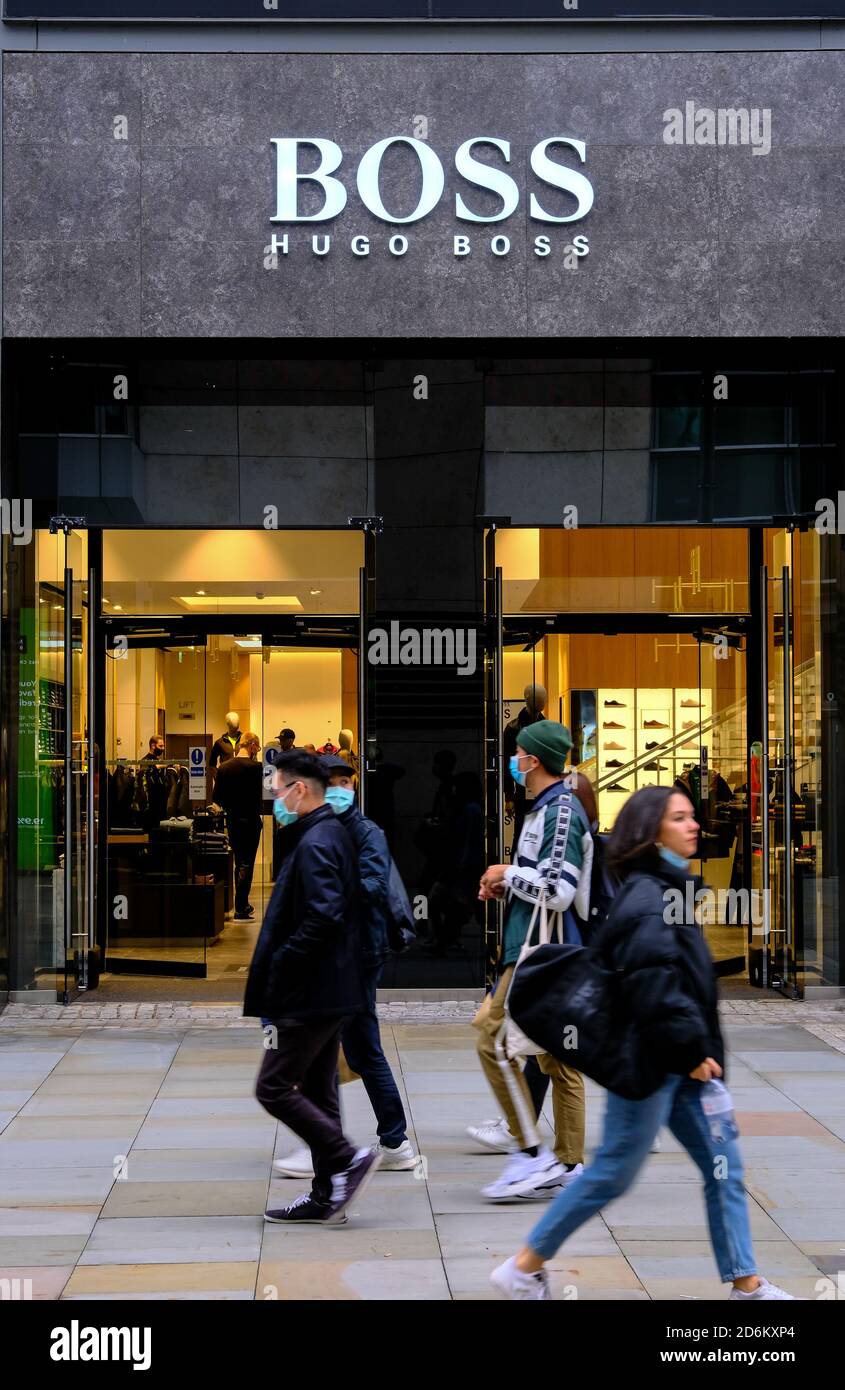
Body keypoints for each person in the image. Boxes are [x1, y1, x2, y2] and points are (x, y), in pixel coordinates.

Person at [490, 785, 796, 1301]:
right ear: (652, 834)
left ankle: (747, 1285)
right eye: (680, 818)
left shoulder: (664, 890)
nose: (694, 825)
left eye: (692, 816)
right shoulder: (649, 899)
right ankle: (524, 1265)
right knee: (612, 1173)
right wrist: (692, 1052)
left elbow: (676, 979)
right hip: (654, 1065)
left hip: (677, 1062)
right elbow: (652, 985)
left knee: (724, 1166)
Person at [245, 749, 381, 1225]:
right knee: (320, 1091)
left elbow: (325, 914)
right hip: (328, 989)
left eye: (278, 789)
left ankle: (346, 1157)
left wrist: (283, 962)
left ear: (299, 789)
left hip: (309, 992)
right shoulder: (323, 833)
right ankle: (326, 1196)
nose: (275, 799)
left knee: (273, 1086)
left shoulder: (318, 840)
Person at [274, 754, 418, 1178]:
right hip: (333, 954)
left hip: (356, 954)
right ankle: (390, 1141)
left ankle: (338, 1145)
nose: (339, 787)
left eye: (345, 781)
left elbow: (374, 884)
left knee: (338, 1049)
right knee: (352, 1049)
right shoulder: (317, 828)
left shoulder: (364, 830)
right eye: (331, 780)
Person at [473, 721, 590, 1202]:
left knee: (490, 1037)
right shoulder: (547, 807)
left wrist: (507, 872)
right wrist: (506, 882)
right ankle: (567, 1164)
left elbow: (557, 891)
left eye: (518, 754)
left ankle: (530, 1153)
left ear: (535, 760)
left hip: (541, 953)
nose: (513, 762)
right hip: (541, 949)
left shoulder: (560, 811)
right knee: (558, 1061)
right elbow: (541, 880)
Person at [213, 731, 263, 922]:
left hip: (233, 820)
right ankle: (241, 907)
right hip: (251, 820)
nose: (256, 751)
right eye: (256, 748)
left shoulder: (224, 768)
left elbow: (217, 797)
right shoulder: (258, 768)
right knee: (246, 863)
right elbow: (266, 795)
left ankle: (241, 903)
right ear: (251, 745)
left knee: (239, 861)